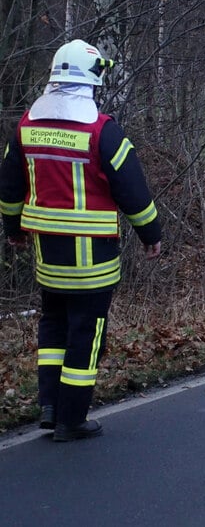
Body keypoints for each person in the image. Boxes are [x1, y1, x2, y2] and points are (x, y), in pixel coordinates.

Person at [0, 39, 162, 441]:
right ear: (90, 82)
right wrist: (152, 235)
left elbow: (8, 188)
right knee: (86, 337)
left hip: (47, 257)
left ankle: (50, 409)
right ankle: (72, 420)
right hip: (92, 260)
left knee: (53, 328)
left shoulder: (26, 126)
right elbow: (133, 192)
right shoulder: (102, 132)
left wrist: (13, 231)